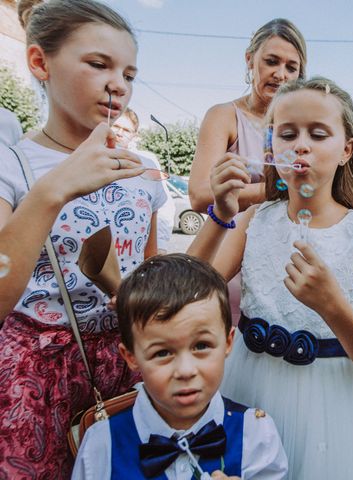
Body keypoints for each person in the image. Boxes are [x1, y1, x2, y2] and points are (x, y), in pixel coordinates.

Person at [188, 77, 353, 479]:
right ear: (271, 148)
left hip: (329, 408)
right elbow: (191, 288)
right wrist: (220, 212)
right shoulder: (255, 217)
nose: (301, 144)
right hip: (246, 390)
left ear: (346, 150)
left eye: (318, 134)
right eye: (287, 134)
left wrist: (332, 307)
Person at [0, 0, 166, 477]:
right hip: (35, 380)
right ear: (40, 63)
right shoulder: (14, 164)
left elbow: (150, 269)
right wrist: (54, 189)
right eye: (98, 64)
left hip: (127, 369)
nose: (119, 83)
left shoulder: (144, 171)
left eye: (130, 74)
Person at [72, 254, 288, 480]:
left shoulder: (255, 433)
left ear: (228, 342)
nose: (185, 371)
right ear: (131, 356)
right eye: (162, 353)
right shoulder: (101, 443)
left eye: (201, 346)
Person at [189, 18, 307, 324]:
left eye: (291, 67)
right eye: (271, 62)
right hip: (231, 257)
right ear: (249, 60)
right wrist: (279, 190)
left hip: (285, 258)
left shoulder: (301, 129)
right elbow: (200, 195)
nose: (280, 74)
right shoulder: (224, 116)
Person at [113, 108, 175, 254]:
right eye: (116, 126)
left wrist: (160, 245)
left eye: (126, 130)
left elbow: (163, 207)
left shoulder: (148, 163)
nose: (119, 133)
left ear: (134, 135)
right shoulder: (89, 157)